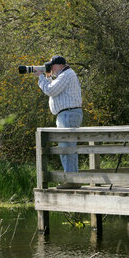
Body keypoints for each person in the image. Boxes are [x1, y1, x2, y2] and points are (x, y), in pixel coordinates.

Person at [35, 55, 83, 189]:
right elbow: (53, 88)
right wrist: (48, 77)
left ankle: (71, 180)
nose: (51, 68)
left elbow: (50, 90)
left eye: (53, 65)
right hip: (67, 114)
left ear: (61, 65)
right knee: (68, 147)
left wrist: (41, 77)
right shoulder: (65, 74)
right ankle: (73, 180)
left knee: (66, 148)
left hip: (68, 114)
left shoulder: (66, 74)